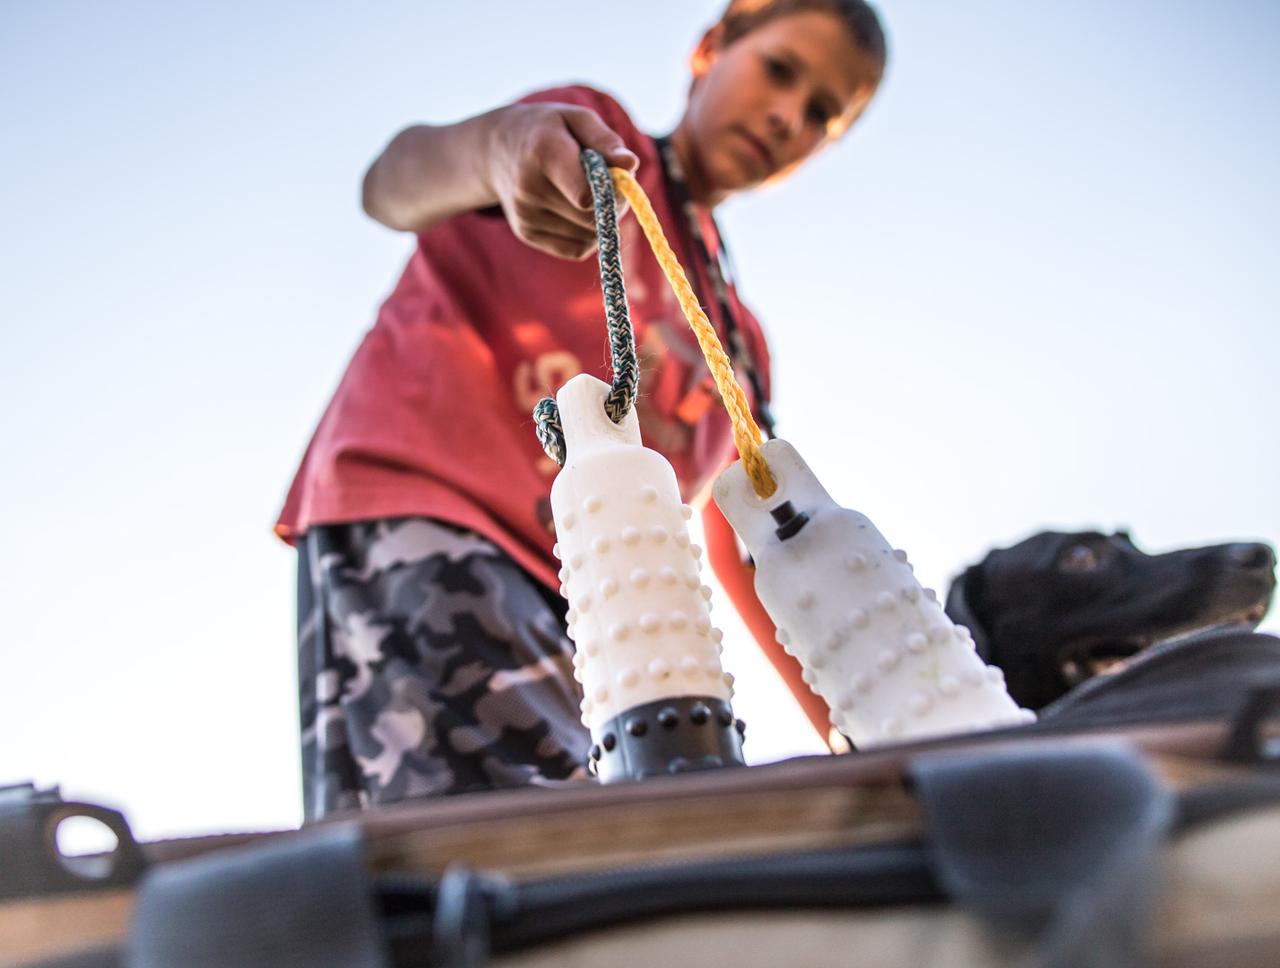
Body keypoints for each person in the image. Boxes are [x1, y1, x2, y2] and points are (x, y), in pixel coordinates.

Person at [277, 0, 888, 819]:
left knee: (515, 874)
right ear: (711, 48)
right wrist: (497, 154)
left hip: (585, 618)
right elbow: (391, 184)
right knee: (504, 850)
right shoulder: (587, 141)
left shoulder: (737, 344)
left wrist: (858, 728)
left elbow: (748, 545)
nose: (786, 117)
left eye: (821, 115)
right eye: (779, 70)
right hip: (430, 520)